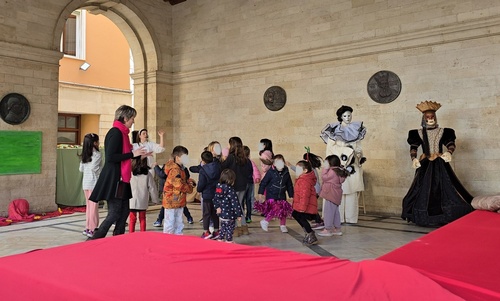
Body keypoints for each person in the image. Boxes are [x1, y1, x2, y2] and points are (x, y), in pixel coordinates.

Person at [401, 101, 473, 226]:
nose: (430, 119)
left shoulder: (444, 131)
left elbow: (450, 143)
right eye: (427, 117)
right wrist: (414, 158)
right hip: (425, 165)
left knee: (444, 188)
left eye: (432, 116)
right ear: (424, 118)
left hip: (440, 163)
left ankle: (443, 215)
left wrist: (449, 152)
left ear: (435, 117)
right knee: (421, 189)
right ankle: (423, 216)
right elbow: (414, 147)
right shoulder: (417, 133)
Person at [89, 105, 148, 240]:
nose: (133, 121)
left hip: (123, 179)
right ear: (125, 118)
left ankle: (119, 239)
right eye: (132, 118)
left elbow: (125, 154)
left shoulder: (123, 134)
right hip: (115, 178)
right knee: (114, 213)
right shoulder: (115, 132)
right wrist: (133, 153)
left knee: (125, 212)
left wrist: (138, 155)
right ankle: (94, 240)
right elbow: (111, 157)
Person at [320, 105, 367, 224]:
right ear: (340, 117)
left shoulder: (356, 130)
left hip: (352, 165)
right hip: (338, 164)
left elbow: (359, 147)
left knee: (351, 192)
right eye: (345, 116)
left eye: (349, 115)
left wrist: (358, 153)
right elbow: (330, 148)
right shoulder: (334, 131)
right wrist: (345, 150)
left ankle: (351, 218)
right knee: (337, 191)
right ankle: (337, 218)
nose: (348, 118)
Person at [220, 137, 253, 236]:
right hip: (243, 186)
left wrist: (222, 159)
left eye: (229, 144)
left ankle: (235, 229)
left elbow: (222, 167)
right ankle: (244, 227)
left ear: (232, 145)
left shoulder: (230, 157)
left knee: (232, 207)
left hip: (233, 186)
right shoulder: (245, 159)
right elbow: (249, 172)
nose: (227, 146)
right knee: (239, 206)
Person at [256, 154, 294, 233]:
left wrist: (291, 195)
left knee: (283, 210)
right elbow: (263, 183)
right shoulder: (271, 172)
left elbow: (289, 185)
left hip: (282, 195)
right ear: (274, 164)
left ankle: (283, 225)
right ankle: (265, 221)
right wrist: (260, 193)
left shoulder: (286, 172)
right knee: (275, 208)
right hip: (271, 194)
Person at [162, 145, 196, 234]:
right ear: (177, 157)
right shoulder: (174, 170)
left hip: (178, 200)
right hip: (171, 201)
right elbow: (179, 185)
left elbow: (182, 180)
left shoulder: (180, 169)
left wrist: (189, 181)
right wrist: (189, 188)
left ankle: (178, 242)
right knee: (170, 224)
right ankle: (168, 243)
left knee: (179, 223)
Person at [152, 162, 194, 227]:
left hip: (173, 195)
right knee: (174, 219)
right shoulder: (177, 169)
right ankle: (189, 217)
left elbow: (162, 175)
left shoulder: (175, 169)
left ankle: (159, 220)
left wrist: (156, 167)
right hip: (175, 195)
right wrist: (189, 187)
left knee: (173, 219)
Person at [318, 155, 349, 236]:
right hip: (336, 195)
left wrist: (325, 169)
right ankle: (337, 229)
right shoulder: (338, 170)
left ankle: (327, 229)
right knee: (335, 212)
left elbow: (324, 177)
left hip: (331, 194)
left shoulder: (332, 171)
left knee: (328, 212)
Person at [78, 133, 102, 238]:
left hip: (85, 183)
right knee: (93, 207)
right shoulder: (97, 154)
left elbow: (81, 169)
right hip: (93, 183)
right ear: (95, 143)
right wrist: (99, 171)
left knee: (89, 207)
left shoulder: (85, 154)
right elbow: (94, 168)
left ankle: (88, 227)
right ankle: (93, 229)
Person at [291, 160, 319, 245]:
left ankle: (310, 233)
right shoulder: (302, 179)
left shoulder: (304, 181)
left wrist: (302, 208)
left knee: (299, 215)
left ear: (305, 171)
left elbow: (304, 196)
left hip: (306, 206)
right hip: (303, 205)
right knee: (295, 214)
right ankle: (308, 232)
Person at [133, 128, 165, 201]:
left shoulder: (150, 144)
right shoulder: (135, 145)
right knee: (140, 187)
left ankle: (148, 201)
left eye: (146, 133)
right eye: (143, 133)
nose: (145, 135)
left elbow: (160, 148)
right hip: (138, 170)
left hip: (149, 169)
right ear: (139, 136)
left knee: (150, 186)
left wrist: (161, 136)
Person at [214, 169, 243, 243]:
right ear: (231, 180)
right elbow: (235, 203)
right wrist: (239, 214)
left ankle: (220, 239)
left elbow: (215, 199)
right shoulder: (230, 190)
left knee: (223, 227)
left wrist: (217, 207)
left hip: (222, 213)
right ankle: (229, 241)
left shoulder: (218, 188)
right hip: (230, 214)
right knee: (230, 228)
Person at [197, 151, 222, 239]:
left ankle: (206, 232)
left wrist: (198, 190)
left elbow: (201, 183)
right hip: (216, 193)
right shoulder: (218, 167)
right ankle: (216, 231)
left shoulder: (202, 170)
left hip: (207, 194)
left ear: (203, 160)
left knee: (206, 213)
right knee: (215, 213)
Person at [243, 145, 260, 223]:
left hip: (243, 183)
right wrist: (257, 177)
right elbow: (255, 170)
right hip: (250, 183)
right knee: (248, 200)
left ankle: (242, 216)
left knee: (242, 200)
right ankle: (248, 216)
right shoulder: (250, 161)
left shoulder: (241, 162)